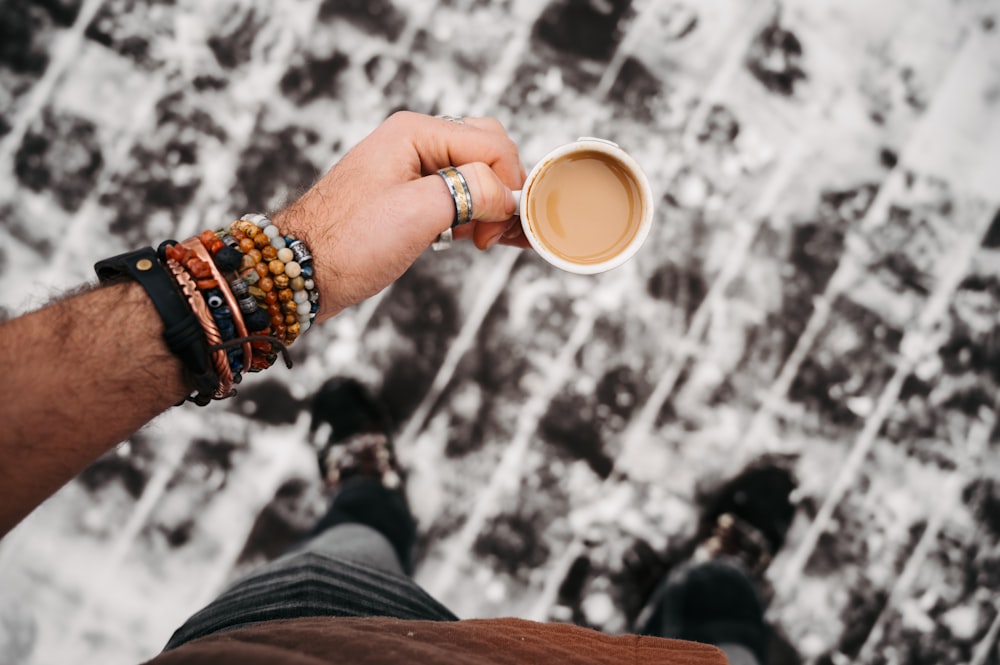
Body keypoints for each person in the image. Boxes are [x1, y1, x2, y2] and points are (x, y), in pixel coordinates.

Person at [0, 111, 773, 664]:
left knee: (353, 543)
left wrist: (274, 276)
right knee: (725, 635)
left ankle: (368, 483)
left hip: (304, 640)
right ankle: (722, 575)